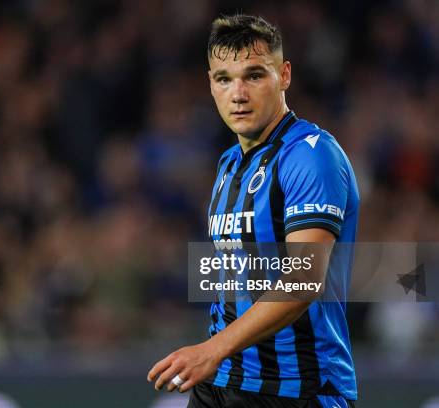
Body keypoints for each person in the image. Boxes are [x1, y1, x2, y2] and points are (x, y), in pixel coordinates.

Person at [148, 14, 358, 408]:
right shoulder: (230, 163)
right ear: (210, 84)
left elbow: (304, 278)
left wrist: (212, 349)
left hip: (295, 389)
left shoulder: (312, 156)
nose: (238, 93)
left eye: (255, 75)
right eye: (224, 79)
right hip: (223, 384)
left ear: (285, 75)